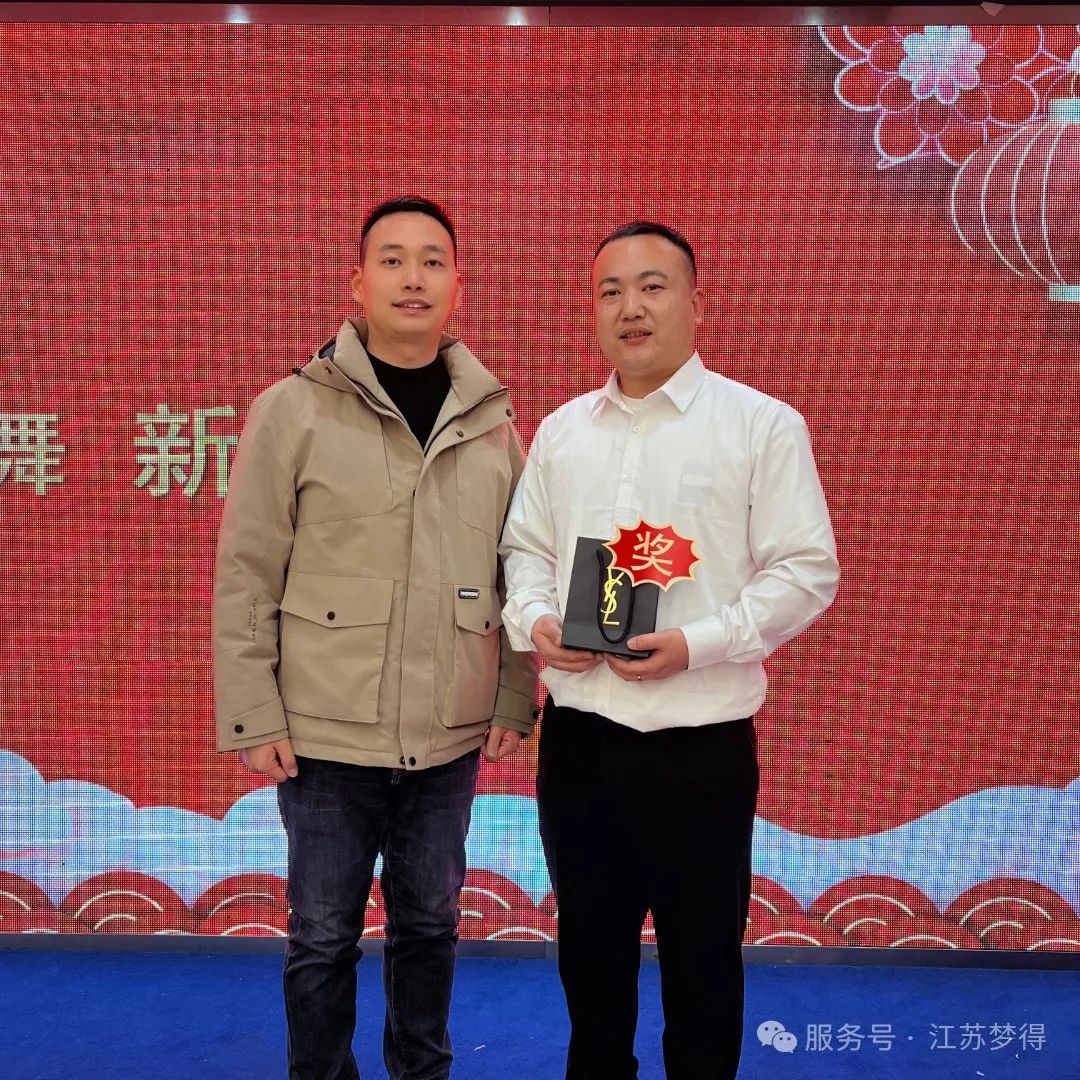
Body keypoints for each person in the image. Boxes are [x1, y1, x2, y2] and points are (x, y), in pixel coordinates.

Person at [499, 221, 839, 1080]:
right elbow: (523, 552)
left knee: (703, 973)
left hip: (701, 751)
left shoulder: (762, 426)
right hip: (581, 744)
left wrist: (698, 644)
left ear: (697, 304)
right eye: (610, 291)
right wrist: (536, 621)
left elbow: (806, 571)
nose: (631, 308)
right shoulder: (562, 433)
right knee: (590, 971)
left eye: (652, 286)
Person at [213, 195, 537, 1080]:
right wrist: (253, 713)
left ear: (458, 287)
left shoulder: (492, 422)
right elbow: (248, 570)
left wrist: (514, 694)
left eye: (432, 260)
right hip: (325, 733)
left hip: (447, 733)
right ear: (356, 283)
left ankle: (421, 1072)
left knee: (430, 926)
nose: (412, 277)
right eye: (392, 260)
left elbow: (520, 570)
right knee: (322, 935)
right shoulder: (294, 408)